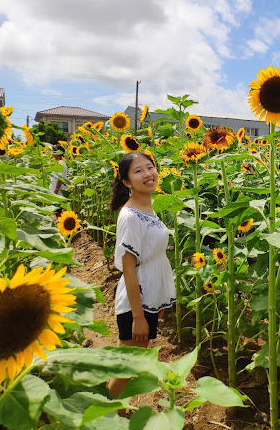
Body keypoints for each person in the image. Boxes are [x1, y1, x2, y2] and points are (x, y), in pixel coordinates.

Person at [107, 152, 176, 404]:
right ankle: (108, 417)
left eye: (150, 167)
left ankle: (115, 412)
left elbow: (151, 258)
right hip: (135, 304)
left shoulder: (146, 208)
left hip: (146, 300)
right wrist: (138, 317)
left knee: (126, 366)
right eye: (138, 171)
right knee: (127, 369)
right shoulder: (131, 216)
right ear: (126, 182)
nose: (148, 174)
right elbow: (128, 268)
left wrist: (155, 304)